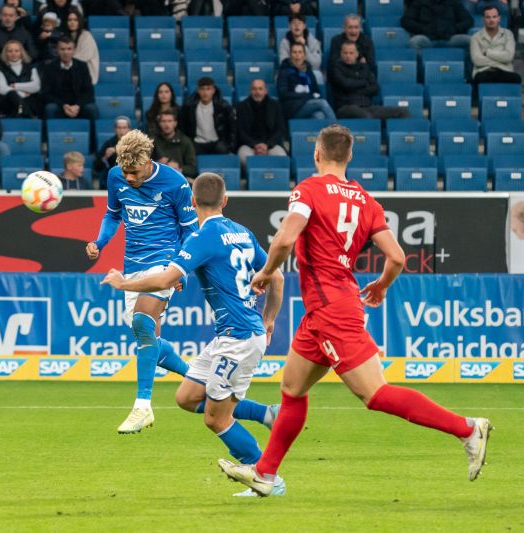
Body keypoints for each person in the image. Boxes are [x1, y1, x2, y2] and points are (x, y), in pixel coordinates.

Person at [218, 124, 492, 497]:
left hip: (332, 308)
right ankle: (266, 474)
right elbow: (395, 257)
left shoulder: (309, 190)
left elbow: (285, 238)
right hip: (324, 310)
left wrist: (266, 272)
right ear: (349, 157)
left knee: (375, 394)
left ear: (317, 154)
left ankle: (467, 428)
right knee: (292, 389)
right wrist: (380, 285)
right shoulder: (367, 201)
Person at [101, 172, 283, 489]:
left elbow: (164, 279)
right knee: (186, 397)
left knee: (216, 417)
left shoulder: (202, 237)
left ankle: (265, 476)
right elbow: (277, 278)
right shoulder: (242, 232)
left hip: (238, 338)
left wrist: (124, 283)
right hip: (233, 334)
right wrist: (269, 321)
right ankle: (268, 415)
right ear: (225, 200)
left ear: (194, 202)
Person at [86, 130, 198, 433]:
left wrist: (181, 270)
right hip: (132, 264)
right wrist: (100, 242)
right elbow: (113, 215)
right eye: (125, 172)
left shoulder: (175, 183)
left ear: (148, 162)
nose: (129, 178)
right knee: (150, 342)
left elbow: (191, 231)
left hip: (165, 261)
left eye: (134, 172)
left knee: (143, 324)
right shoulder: (115, 177)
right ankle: (203, 380)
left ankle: (142, 406)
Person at [330, 42, 410, 119]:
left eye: (351, 53)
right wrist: (364, 83)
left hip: (368, 107)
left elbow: (375, 88)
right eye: (345, 53)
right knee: (366, 116)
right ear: (341, 54)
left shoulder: (364, 67)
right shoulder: (336, 68)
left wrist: (353, 89)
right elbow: (346, 84)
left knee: (402, 112)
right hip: (346, 107)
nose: (348, 56)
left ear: (357, 54)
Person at [41, 36, 99, 120]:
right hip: (59, 104)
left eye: (69, 49)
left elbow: (89, 92)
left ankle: (94, 133)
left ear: (74, 50)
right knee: (50, 108)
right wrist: (63, 105)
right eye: (62, 49)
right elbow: (46, 93)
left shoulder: (82, 66)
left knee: (91, 109)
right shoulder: (49, 67)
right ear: (57, 50)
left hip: (78, 105)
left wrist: (77, 105)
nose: (66, 52)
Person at [277, 43, 336, 121]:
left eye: (300, 52)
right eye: (294, 52)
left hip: (309, 105)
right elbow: (283, 94)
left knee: (319, 116)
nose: (297, 55)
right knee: (322, 103)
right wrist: (305, 96)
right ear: (290, 55)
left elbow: (316, 91)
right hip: (293, 108)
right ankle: (338, 131)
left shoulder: (309, 71)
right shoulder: (284, 71)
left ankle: (326, 133)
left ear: (304, 56)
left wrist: (313, 96)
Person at [235, 79, 287, 165]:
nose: (257, 92)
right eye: (254, 89)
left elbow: (280, 129)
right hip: (248, 145)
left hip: (271, 145)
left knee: (281, 157)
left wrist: (267, 145)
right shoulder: (241, 107)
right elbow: (240, 131)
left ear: (265, 91)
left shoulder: (275, 105)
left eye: (260, 89)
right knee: (244, 157)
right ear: (250, 91)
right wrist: (254, 145)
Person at [179, 77, 236, 156]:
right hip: (197, 143)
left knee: (224, 150)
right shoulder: (189, 107)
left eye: (208, 89)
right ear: (198, 91)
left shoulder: (223, 107)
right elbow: (183, 128)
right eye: (202, 89)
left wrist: (229, 145)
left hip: (217, 142)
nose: (205, 92)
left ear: (213, 90)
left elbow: (231, 128)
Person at [470, 5, 521, 84]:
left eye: (494, 17)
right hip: (483, 71)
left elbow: (509, 57)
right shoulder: (475, 37)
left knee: (516, 78)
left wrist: (487, 53)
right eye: (488, 17)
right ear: (483, 19)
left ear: (499, 18)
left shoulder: (508, 34)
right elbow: (477, 60)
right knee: (480, 79)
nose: (491, 20)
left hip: (504, 71)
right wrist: (500, 60)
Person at [0, 40, 42, 118]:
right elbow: (2, 89)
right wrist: (23, 93)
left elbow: (36, 86)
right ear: (6, 53)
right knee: (12, 95)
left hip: (28, 102)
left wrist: (16, 86)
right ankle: (28, 116)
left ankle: (22, 114)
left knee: (32, 99)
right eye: (10, 51)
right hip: (9, 104)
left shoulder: (30, 67)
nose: (13, 53)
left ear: (21, 52)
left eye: (16, 51)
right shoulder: (1, 69)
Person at [402, 0, 474, 50]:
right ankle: (421, 71)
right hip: (427, 39)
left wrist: (454, 29)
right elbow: (406, 20)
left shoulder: (454, 2)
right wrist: (423, 29)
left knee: (472, 41)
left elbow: (468, 20)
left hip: (450, 38)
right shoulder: (419, 2)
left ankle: (467, 71)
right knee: (415, 42)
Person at [153, 110, 197, 180]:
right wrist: (158, 164)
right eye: (163, 121)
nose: (166, 124)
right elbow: (146, 164)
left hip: (180, 178)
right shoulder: (153, 140)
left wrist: (179, 168)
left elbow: (193, 169)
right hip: (159, 178)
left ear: (175, 123)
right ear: (159, 123)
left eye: (170, 121)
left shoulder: (185, 141)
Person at [278, 14, 323, 83]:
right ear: (289, 26)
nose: (297, 26)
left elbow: (316, 65)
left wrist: (304, 47)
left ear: (304, 26)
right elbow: (283, 63)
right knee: (282, 75)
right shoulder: (284, 43)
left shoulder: (314, 42)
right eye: (294, 23)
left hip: (308, 71)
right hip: (291, 72)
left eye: (299, 23)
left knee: (318, 74)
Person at [94, 116, 132, 187]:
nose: (121, 131)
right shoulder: (109, 144)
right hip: (113, 179)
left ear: (129, 129)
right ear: (115, 129)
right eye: (119, 128)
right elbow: (97, 167)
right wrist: (105, 157)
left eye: (124, 128)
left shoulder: (136, 144)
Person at [65, 7, 100, 85]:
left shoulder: (86, 36)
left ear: (80, 21)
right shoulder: (68, 37)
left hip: (87, 75)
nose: (72, 22)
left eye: (75, 20)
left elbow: (82, 58)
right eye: (69, 20)